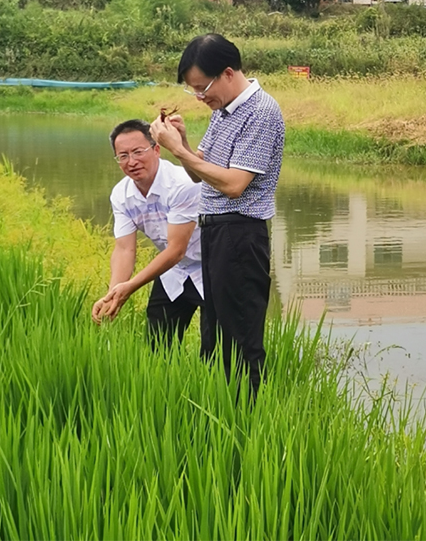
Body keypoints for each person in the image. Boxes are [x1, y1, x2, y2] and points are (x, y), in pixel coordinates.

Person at [150, 33, 285, 395]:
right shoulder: (223, 112)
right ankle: (221, 413)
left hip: (240, 235)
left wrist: (179, 151)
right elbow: (203, 176)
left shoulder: (260, 111)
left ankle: (249, 423)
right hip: (214, 231)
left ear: (227, 73)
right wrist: (186, 144)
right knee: (215, 337)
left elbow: (234, 185)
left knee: (240, 339)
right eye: (192, 91)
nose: (199, 97)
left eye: (201, 87)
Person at [92, 119, 204, 348]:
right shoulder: (121, 194)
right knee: (158, 345)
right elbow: (125, 248)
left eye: (138, 152)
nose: (131, 162)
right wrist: (113, 294)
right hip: (174, 271)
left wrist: (130, 287)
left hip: (212, 268)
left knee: (217, 350)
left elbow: (176, 249)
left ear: (156, 150)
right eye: (122, 156)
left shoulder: (183, 184)